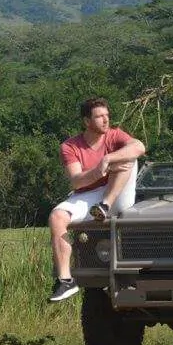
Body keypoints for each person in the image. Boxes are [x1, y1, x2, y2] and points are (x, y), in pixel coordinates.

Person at [47, 96, 145, 303]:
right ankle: (65, 280)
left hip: (117, 193)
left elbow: (139, 147)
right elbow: (76, 181)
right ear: (86, 121)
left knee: (128, 157)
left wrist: (107, 159)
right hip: (88, 194)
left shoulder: (115, 135)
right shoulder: (70, 146)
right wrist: (97, 172)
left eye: (107, 115)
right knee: (56, 217)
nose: (105, 120)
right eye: (99, 117)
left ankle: (105, 205)